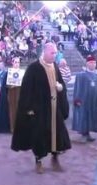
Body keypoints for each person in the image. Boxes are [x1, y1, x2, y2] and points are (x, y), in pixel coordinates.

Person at [11, 42, 71, 174]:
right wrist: (29, 109)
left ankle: (55, 159)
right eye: (52, 53)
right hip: (40, 110)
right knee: (40, 136)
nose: (54, 55)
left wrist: (61, 88)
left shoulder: (55, 67)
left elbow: (60, 84)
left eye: (55, 53)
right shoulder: (33, 68)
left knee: (57, 134)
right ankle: (38, 161)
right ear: (45, 52)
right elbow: (27, 90)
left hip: (55, 108)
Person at [72, 55, 97, 143]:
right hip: (84, 100)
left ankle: (88, 134)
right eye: (91, 63)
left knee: (92, 117)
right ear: (87, 64)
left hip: (94, 101)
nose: (93, 64)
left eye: (94, 63)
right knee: (84, 117)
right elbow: (77, 87)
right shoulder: (81, 75)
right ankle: (83, 134)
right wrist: (77, 99)